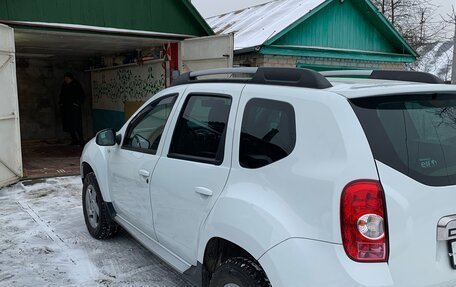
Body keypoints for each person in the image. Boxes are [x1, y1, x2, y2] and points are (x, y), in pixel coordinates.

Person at [59, 72, 85, 145]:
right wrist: (61, 104)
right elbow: (61, 95)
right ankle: (74, 140)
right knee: (69, 125)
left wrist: (76, 103)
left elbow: (81, 95)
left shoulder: (76, 85)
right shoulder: (64, 85)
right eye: (65, 78)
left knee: (77, 124)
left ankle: (81, 140)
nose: (66, 80)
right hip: (66, 109)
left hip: (74, 109)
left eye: (67, 78)